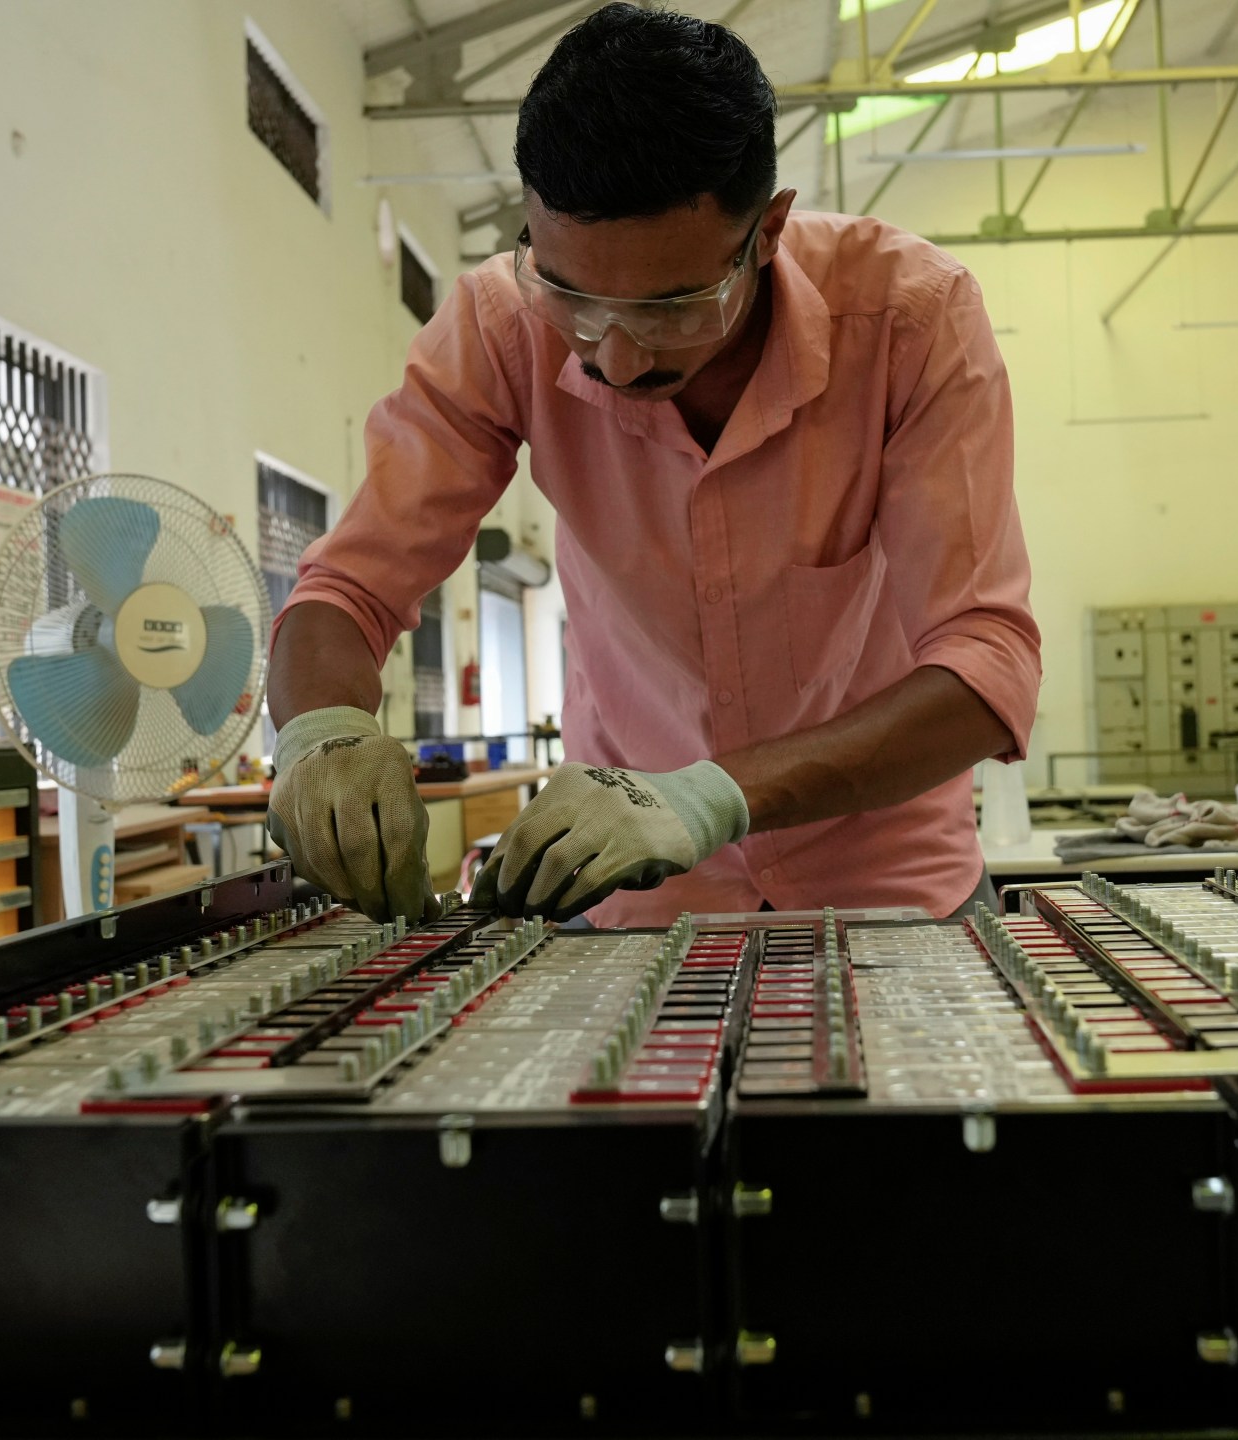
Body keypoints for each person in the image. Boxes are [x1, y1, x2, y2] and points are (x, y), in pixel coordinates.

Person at [267, 2, 1038, 926]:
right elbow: (351, 587)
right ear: (528, 228)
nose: (617, 357)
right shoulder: (498, 326)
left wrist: (710, 795)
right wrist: (322, 734)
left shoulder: (911, 321)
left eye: (675, 306)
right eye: (572, 296)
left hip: (886, 886)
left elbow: (987, 666)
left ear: (770, 229)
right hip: (632, 896)